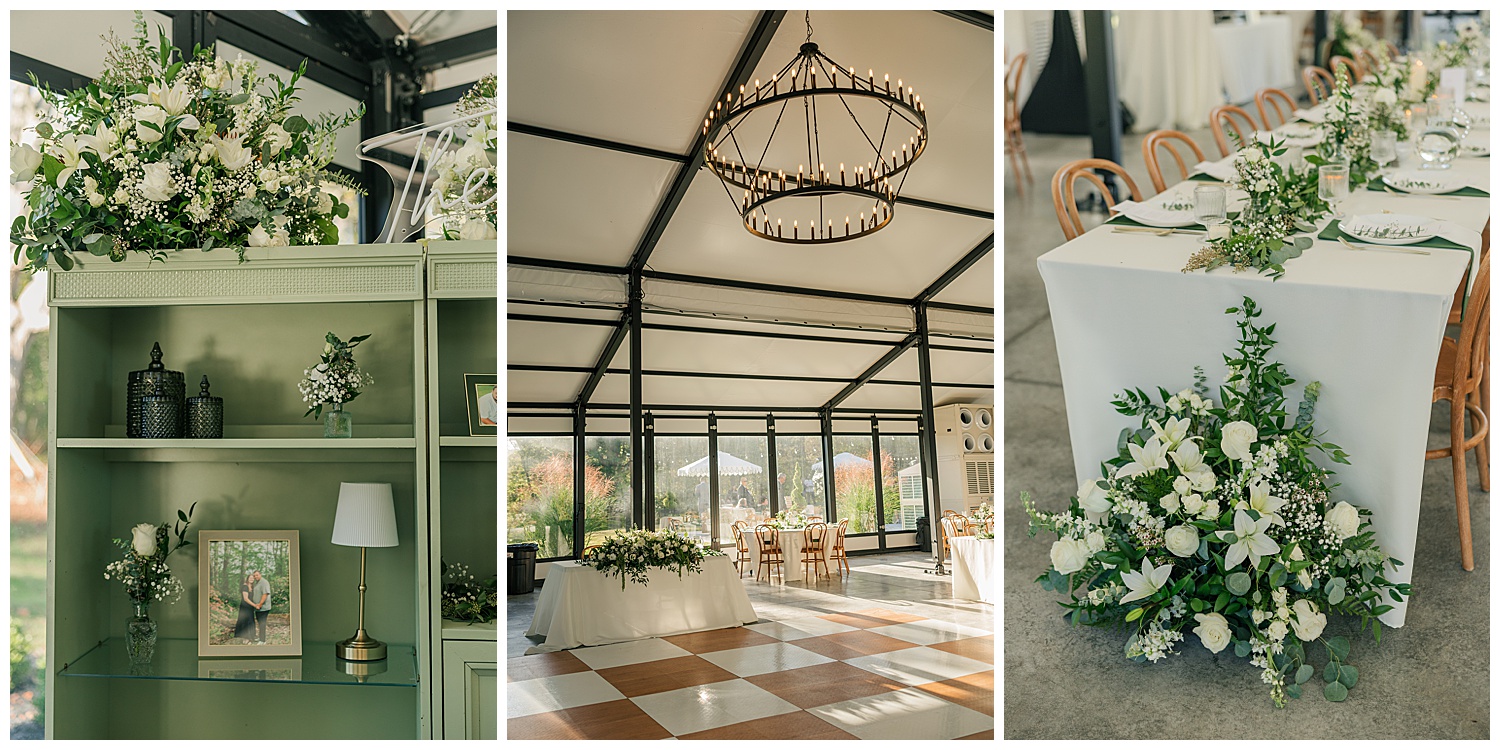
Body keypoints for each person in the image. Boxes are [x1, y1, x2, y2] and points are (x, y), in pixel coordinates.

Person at [234, 574, 257, 643]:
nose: (251, 579)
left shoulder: (252, 587)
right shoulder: (245, 586)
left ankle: (251, 637)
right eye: (250, 578)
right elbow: (246, 599)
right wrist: (255, 605)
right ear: (247, 578)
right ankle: (243, 637)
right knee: (245, 621)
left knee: (251, 621)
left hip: (250, 607)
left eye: (253, 578)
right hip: (245, 607)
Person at [250, 570, 272, 644]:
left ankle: (263, 640)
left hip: (263, 607)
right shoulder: (257, 583)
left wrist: (260, 604)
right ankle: (261, 637)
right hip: (258, 608)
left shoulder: (264, 582)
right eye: (254, 576)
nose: (255, 577)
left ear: (260, 574)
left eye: (257, 575)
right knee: (260, 623)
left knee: (262, 624)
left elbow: (265, 594)